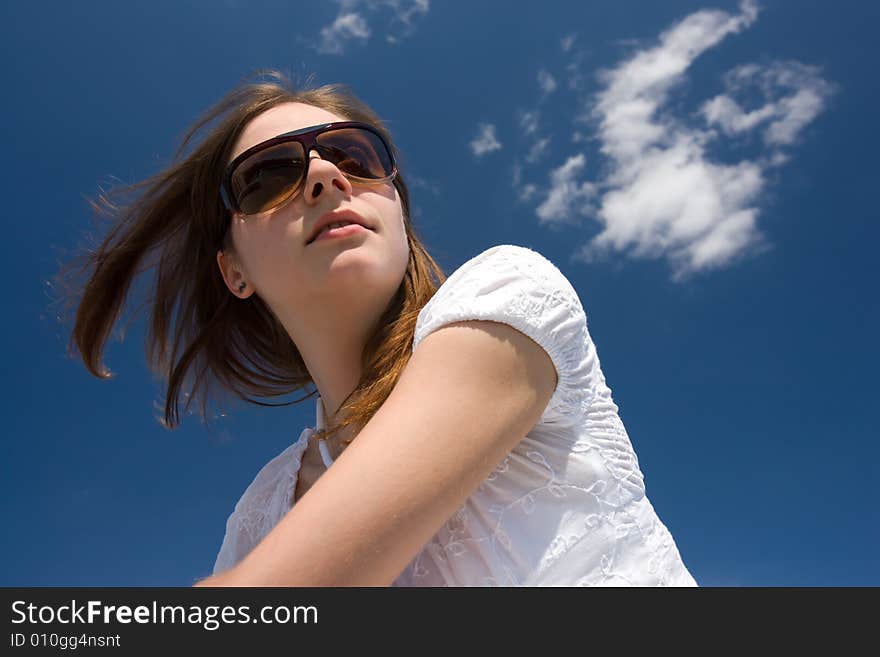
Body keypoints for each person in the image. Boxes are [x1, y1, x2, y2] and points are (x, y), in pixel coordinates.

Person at [65, 69, 698, 587]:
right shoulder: (260, 514)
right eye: (268, 176)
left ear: (396, 205)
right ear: (233, 271)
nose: (324, 176)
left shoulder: (512, 298)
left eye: (354, 155)